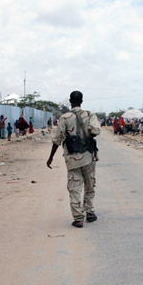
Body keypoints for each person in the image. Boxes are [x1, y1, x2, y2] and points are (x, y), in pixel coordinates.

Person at [46, 91, 101, 228]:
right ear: (82, 101)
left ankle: (78, 218)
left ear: (70, 101)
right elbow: (96, 131)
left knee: (74, 187)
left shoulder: (64, 118)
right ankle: (90, 213)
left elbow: (57, 139)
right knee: (89, 185)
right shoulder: (89, 115)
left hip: (72, 158)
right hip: (88, 156)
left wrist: (50, 157)